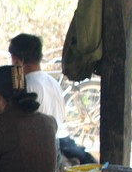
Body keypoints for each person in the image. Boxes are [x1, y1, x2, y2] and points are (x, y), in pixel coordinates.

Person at [9, 33, 96, 165]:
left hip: (41, 147)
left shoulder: (26, 85)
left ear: (15, 59)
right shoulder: (52, 82)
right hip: (59, 141)